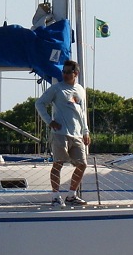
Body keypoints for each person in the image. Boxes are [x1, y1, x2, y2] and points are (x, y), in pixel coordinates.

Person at [35, 59, 91, 205]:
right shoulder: (56, 89)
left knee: (82, 164)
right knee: (58, 163)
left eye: (68, 72)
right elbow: (39, 103)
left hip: (77, 134)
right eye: (63, 72)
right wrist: (49, 121)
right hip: (60, 133)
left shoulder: (80, 90)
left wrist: (86, 131)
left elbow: (83, 112)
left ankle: (71, 195)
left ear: (76, 73)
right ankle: (55, 196)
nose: (65, 74)